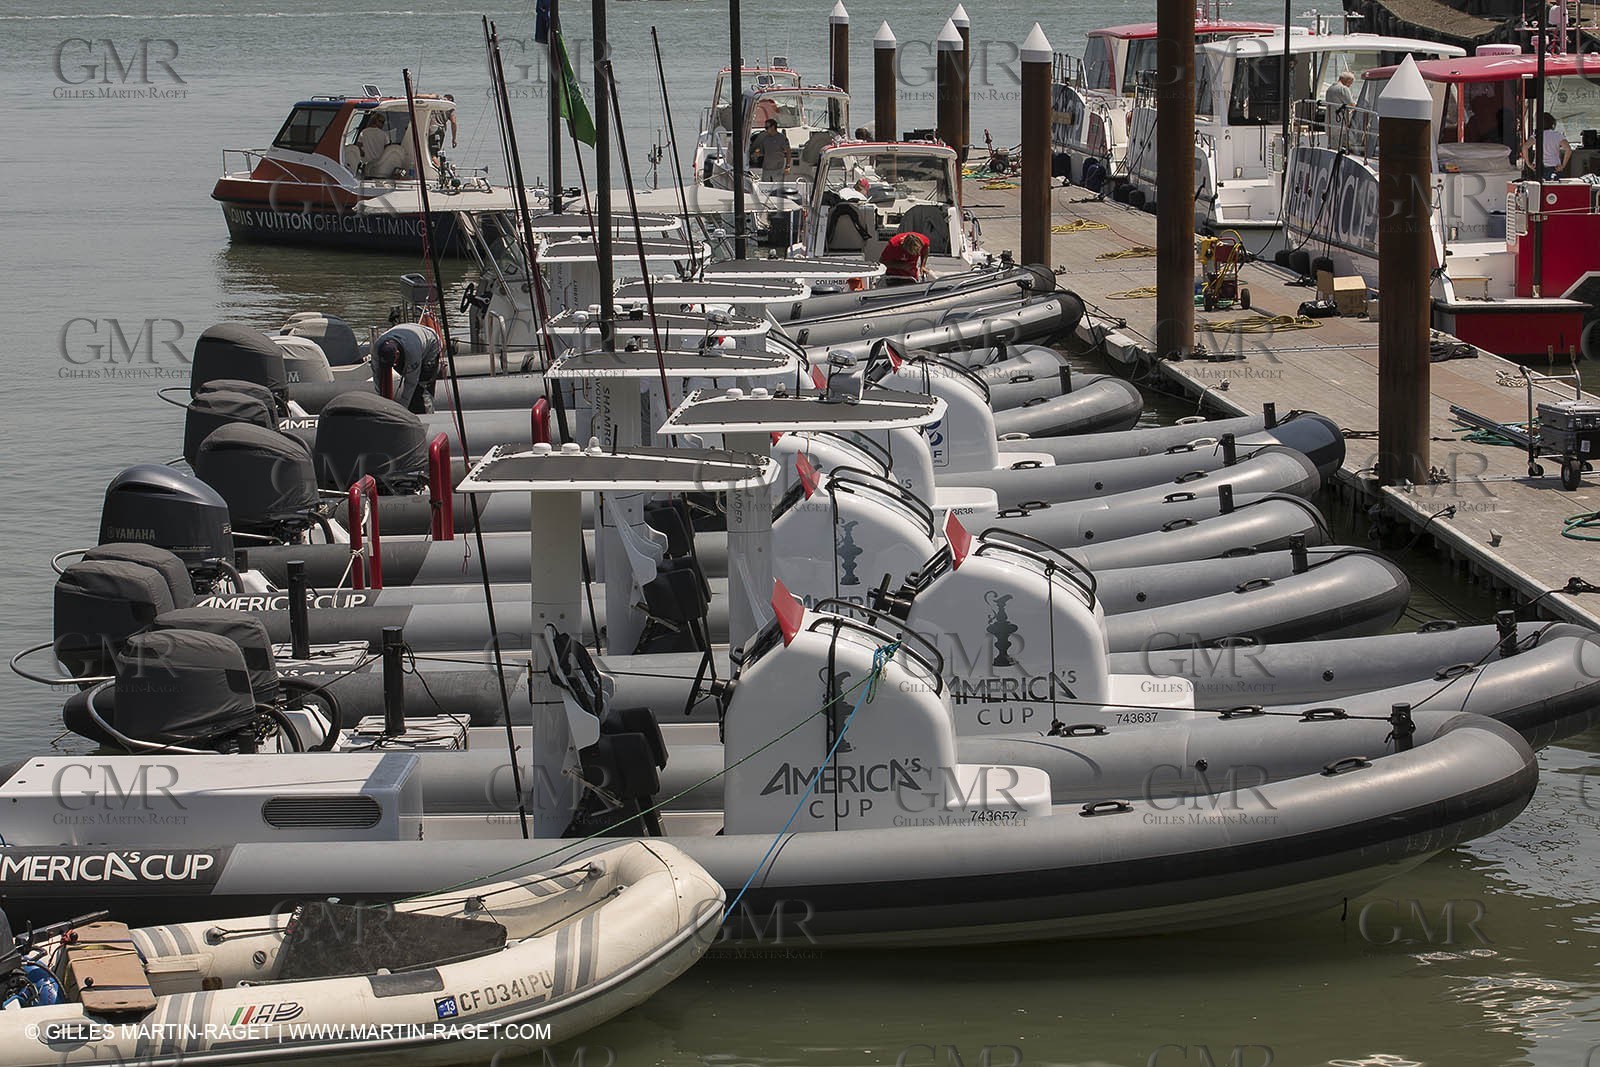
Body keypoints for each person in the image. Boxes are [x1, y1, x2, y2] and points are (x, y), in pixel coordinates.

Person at [373, 322, 441, 414]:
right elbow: (377, 374)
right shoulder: (377, 348)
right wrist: (381, 399)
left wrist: (402, 411)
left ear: (397, 354)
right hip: (407, 333)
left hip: (430, 343)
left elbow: (411, 383)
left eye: (393, 363)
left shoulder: (412, 352)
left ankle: (427, 414)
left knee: (421, 389)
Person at [1521, 111, 1572, 179]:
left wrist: (1528, 164)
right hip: (1555, 168)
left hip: (1539, 168)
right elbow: (1568, 149)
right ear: (1552, 124)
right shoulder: (1558, 136)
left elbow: (1525, 147)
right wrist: (1563, 165)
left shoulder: (1536, 136)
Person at [751, 117, 789, 182]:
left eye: (766, 128)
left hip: (778, 169)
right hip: (766, 169)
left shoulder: (782, 138)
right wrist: (756, 154)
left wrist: (787, 166)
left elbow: (788, 152)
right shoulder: (764, 138)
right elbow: (762, 152)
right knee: (765, 189)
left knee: (778, 190)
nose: (766, 130)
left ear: (773, 127)